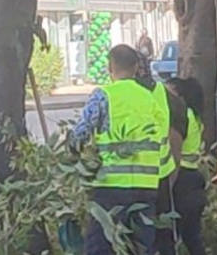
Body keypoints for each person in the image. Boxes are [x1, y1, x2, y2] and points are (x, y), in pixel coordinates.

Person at [68, 45, 165, 255]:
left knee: (100, 248)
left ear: (110, 67)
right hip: (146, 187)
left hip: (110, 186)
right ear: (136, 67)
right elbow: (162, 139)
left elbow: (79, 135)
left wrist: (77, 158)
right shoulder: (149, 99)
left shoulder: (104, 96)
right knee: (140, 248)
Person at [137, 53, 188, 255]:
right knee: (162, 234)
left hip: (128, 181)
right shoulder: (167, 97)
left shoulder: (114, 96)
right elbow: (176, 143)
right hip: (160, 177)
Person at [166, 77, 208, 255]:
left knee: (171, 235)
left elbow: (173, 145)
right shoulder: (194, 115)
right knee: (191, 237)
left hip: (180, 179)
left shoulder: (182, 116)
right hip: (192, 178)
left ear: (178, 95)